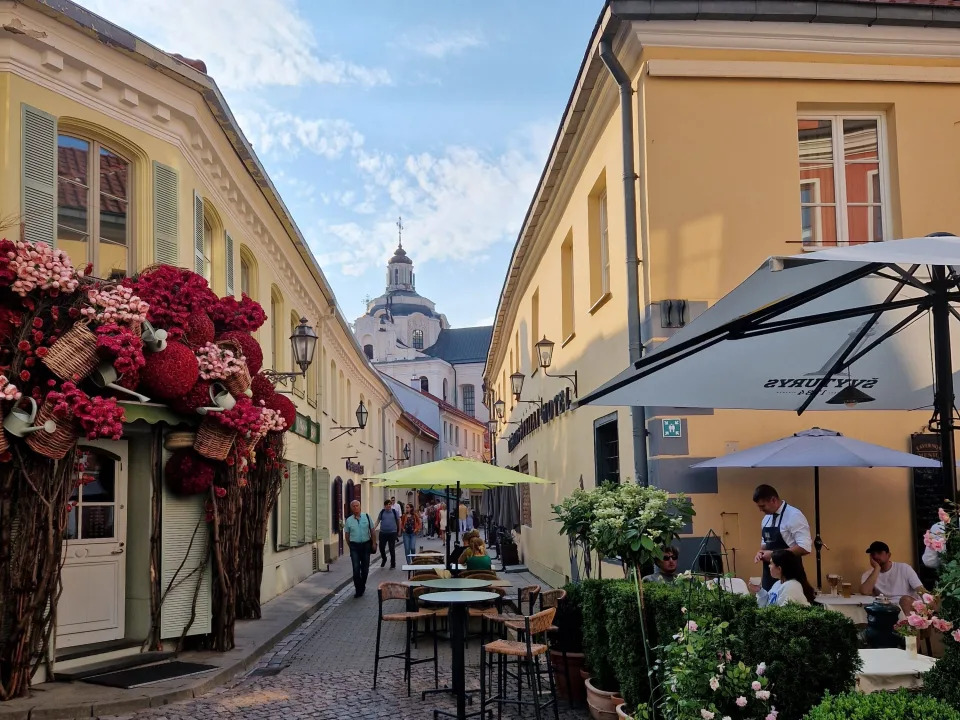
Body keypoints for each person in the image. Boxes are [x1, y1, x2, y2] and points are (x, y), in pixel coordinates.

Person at [752, 484, 812, 591]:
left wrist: (773, 554)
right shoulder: (766, 519)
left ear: (773, 500)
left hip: (789, 576)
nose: (760, 510)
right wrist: (760, 553)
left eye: (763, 506)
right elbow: (765, 545)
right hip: (769, 575)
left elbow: (805, 547)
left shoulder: (794, 515)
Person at [861, 540, 930, 615]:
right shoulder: (869, 574)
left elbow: (920, 589)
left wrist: (930, 606)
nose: (876, 556)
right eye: (873, 554)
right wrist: (877, 568)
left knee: (905, 600)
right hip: (886, 608)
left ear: (889, 555)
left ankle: (907, 626)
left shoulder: (904, 568)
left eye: (879, 553)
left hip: (908, 606)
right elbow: (865, 592)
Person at [343, 500, 374, 598]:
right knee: (356, 569)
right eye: (354, 506)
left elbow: (372, 530)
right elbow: (347, 535)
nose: (356, 508)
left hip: (366, 545)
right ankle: (358, 590)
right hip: (354, 546)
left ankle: (362, 585)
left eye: (357, 506)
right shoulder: (349, 520)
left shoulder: (367, 517)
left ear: (360, 506)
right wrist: (350, 546)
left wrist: (373, 543)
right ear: (351, 508)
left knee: (365, 569)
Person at [374, 499, 399, 569]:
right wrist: (373, 528)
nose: (389, 506)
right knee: (381, 548)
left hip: (392, 533)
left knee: (391, 548)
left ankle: (393, 564)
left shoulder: (394, 512)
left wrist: (399, 530)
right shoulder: (382, 512)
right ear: (384, 506)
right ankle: (384, 558)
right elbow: (378, 521)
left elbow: (398, 521)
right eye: (387, 504)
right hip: (383, 533)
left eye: (390, 504)